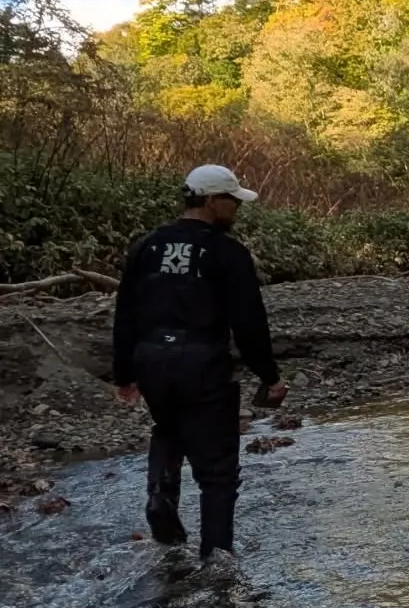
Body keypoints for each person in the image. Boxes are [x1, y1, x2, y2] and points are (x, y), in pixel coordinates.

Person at [113, 164, 286, 569]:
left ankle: (160, 494)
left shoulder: (147, 245)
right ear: (212, 202)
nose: (237, 209)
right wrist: (270, 376)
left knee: (168, 426)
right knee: (217, 473)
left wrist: (124, 373)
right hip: (203, 363)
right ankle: (217, 563)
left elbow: (125, 313)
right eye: (232, 201)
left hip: (151, 358)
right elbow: (248, 322)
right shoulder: (228, 252)